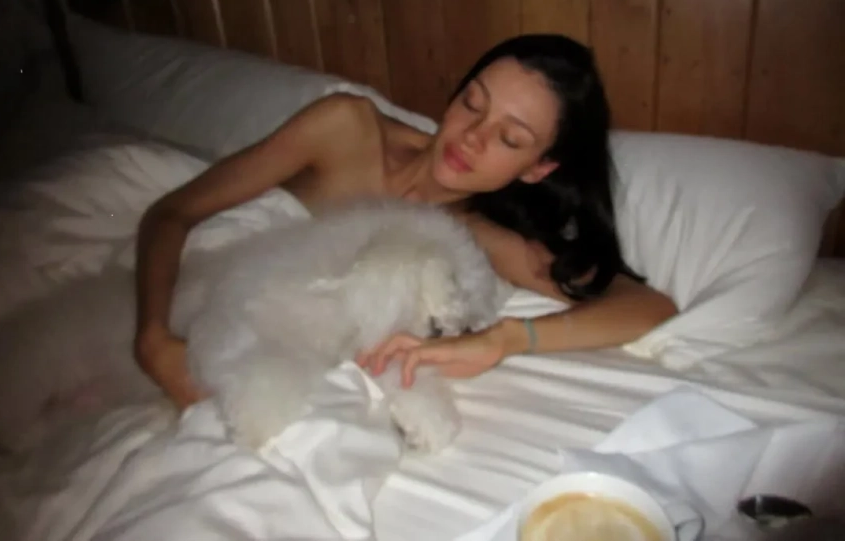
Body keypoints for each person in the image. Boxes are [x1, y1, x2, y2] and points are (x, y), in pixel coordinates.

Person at [134, 34, 678, 409]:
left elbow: (647, 306)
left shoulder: (478, 234)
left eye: (509, 139)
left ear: (538, 169)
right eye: (473, 104)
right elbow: (171, 213)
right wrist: (153, 341)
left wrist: (508, 338)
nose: (472, 137)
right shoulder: (345, 129)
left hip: (254, 363)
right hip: (172, 314)